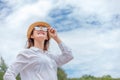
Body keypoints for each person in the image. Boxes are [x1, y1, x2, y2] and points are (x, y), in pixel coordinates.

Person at [3, 21, 73, 80]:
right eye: (37, 28)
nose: (41, 29)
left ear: (46, 37)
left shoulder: (51, 56)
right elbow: (9, 75)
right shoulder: (26, 53)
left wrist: (56, 38)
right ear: (31, 36)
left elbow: (69, 56)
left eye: (45, 29)